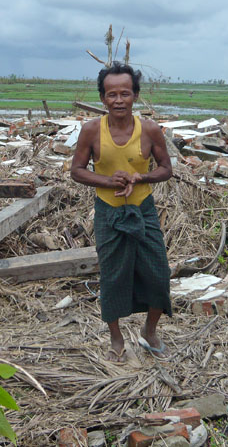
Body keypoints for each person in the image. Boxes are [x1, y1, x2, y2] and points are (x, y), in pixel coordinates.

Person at [71, 62, 173, 362]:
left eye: (125, 94)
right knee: (113, 276)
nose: (118, 100)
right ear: (102, 98)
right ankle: (116, 339)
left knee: (158, 273)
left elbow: (166, 169)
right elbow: (76, 171)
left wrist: (140, 177)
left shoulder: (150, 130)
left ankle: (150, 330)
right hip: (109, 211)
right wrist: (107, 180)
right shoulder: (91, 131)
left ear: (135, 96)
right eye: (111, 94)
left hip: (143, 209)